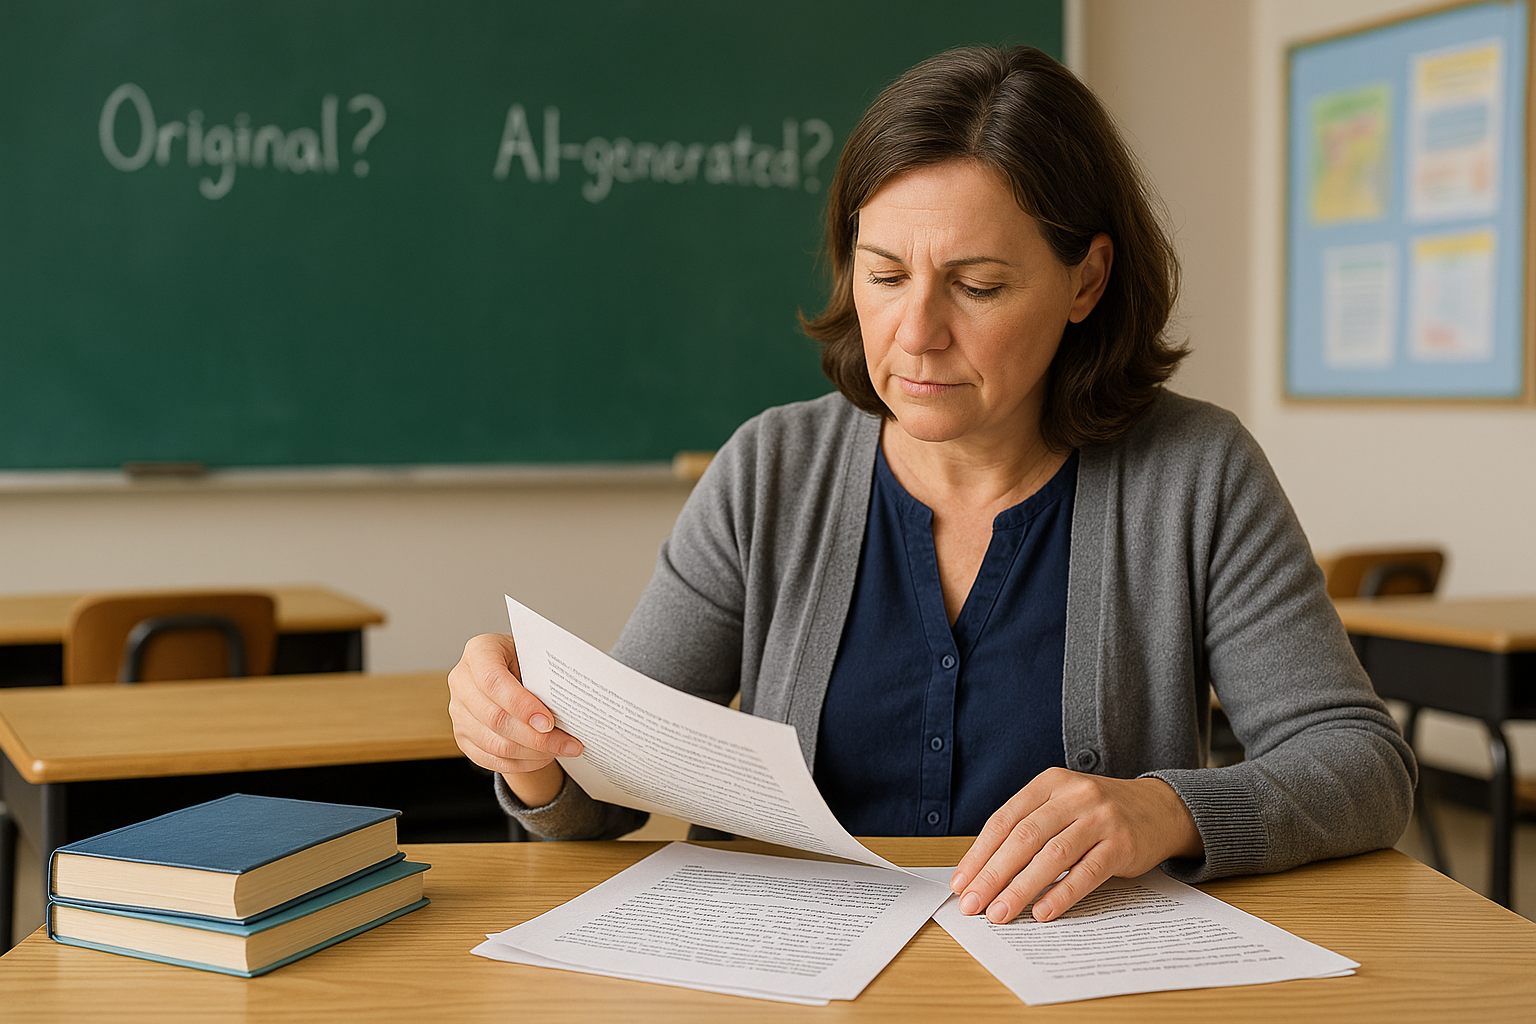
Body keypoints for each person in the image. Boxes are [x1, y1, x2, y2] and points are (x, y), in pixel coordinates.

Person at [449, 45, 1415, 926]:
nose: (915, 332)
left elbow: (1364, 769)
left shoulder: (1197, 474)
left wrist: (1163, 809)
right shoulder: (770, 469)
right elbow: (599, 796)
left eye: (978, 285)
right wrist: (533, 747)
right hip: (788, 977)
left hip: (1074, 977)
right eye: (883, 274)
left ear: (1086, 283)